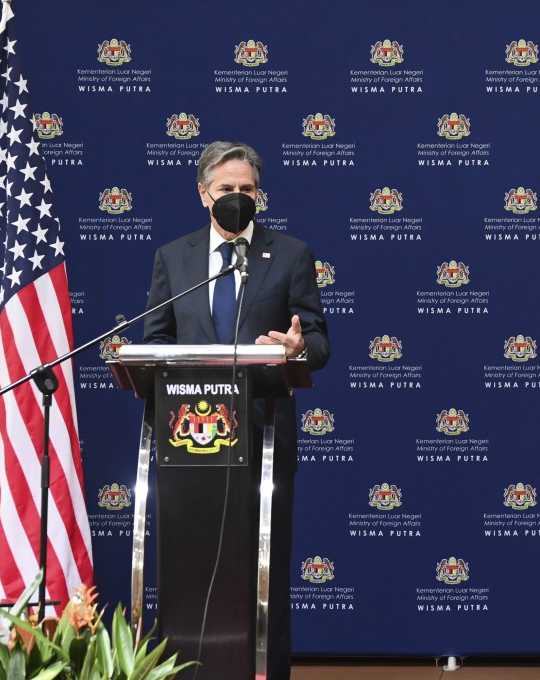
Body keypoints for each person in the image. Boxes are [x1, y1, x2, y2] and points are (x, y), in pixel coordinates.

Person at [144, 141, 329, 679]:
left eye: (247, 189)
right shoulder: (173, 258)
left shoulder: (290, 254)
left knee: (263, 574)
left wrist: (297, 347)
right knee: (190, 570)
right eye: (227, 189)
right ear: (204, 195)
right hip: (189, 448)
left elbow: (317, 340)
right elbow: (157, 342)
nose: (238, 197)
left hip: (263, 439)